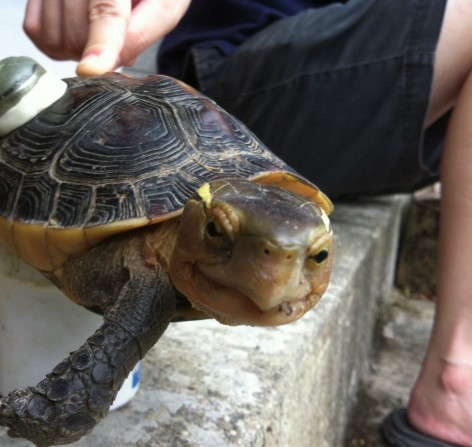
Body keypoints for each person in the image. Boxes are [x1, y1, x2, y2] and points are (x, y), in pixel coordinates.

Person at [23, 1, 472, 445]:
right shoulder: (157, 261)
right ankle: (458, 369)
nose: (274, 283)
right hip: (237, 66)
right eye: (217, 235)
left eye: (315, 256)